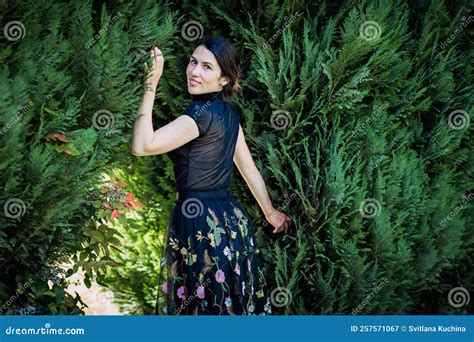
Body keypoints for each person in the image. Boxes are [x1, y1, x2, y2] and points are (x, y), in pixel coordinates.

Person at [131, 35, 292, 315]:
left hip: (201, 225)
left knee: (202, 311)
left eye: (207, 67)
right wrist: (270, 213)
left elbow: (142, 145)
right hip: (231, 223)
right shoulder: (228, 115)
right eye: (193, 62)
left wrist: (150, 83)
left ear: (224, 80)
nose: (194, 71)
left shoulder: (200, 115)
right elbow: (248, 169)